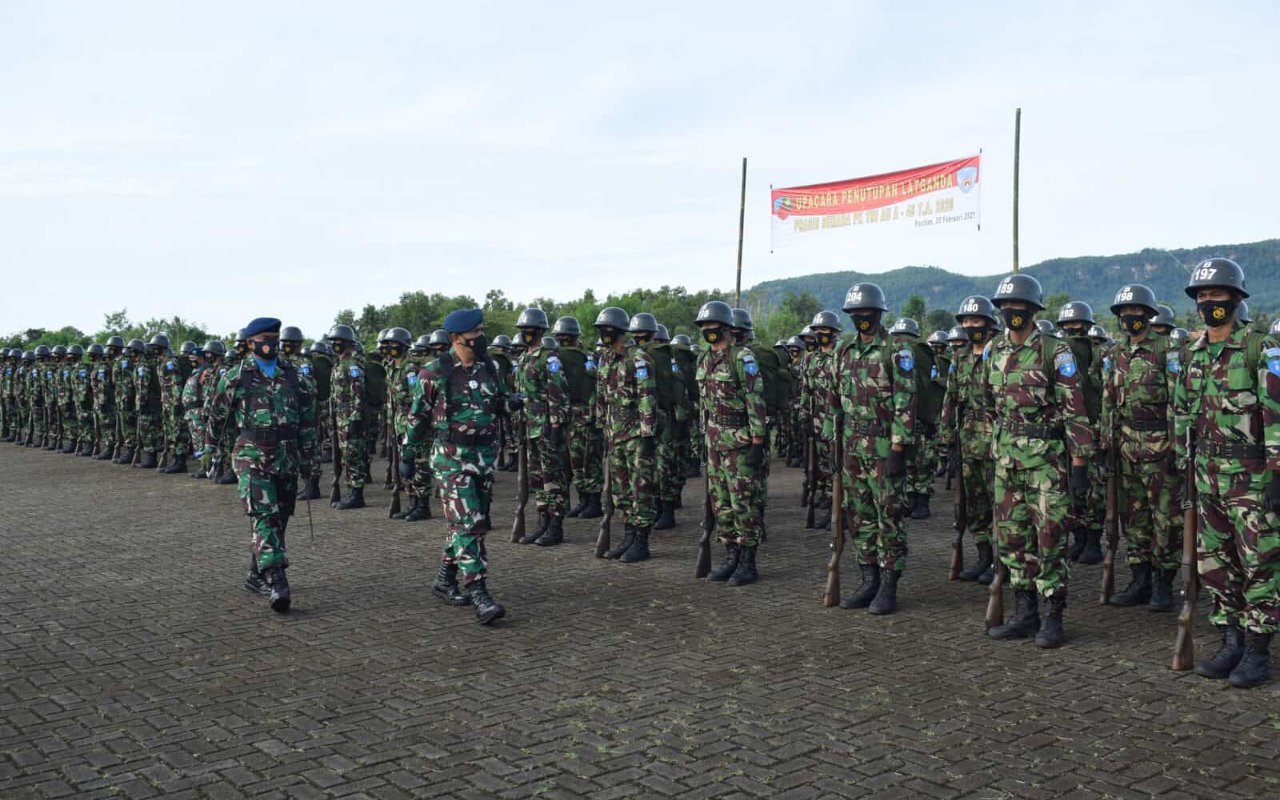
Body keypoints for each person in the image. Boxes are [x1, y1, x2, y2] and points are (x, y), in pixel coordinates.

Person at [1174, 258, 1279, 688]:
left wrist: (1277, 471)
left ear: (1236, 299)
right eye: (1201, 297)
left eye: (1216, 296)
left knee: (1259, 563)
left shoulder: (1261, 349)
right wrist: (1183, 466)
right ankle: (1230, 641)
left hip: (1251, 477)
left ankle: (1257, 651)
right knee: (1216, 565)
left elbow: (1276, 413)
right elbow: (1183, 414)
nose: (1208, 303)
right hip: (1206, 477)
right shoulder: (1190, 354)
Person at [983, 274, 1094, 648]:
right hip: (1007, 464)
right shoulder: (993, 350)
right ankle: (1025, 612)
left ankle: (1052, 616)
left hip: (1046, 464)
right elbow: (988, 405)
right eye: (1006, 306)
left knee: (1050, 539)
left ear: (1033, 310)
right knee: (1013, 540)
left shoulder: (1055, 352)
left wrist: (1080, 464)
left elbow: (1075, 410)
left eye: (1021, 307)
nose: (1013, 312)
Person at [404, 308, 511, 624]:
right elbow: (417, 417)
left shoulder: (487, 368)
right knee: (469, 524)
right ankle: (479, 592)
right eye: (475, 333)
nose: (480, 338)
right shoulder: (434, 373)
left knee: (468, 522)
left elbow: (498, 403)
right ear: (455, 338)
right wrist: (409, 457)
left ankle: (443, 579)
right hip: (452, 458)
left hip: (483, 458)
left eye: (481, 331)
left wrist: (511, 403)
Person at [206, 317, 318, 614]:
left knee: (279, 517)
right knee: (264, 514)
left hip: (287, 455)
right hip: (252, 454)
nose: (271, 344)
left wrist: (310, 460)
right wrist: (210, 449)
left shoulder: (296, 376)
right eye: (264, 338)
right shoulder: (235, 377)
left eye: (274, 338)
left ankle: (256, 572)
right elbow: (217, 415)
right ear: (250, 343)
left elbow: (308, 421)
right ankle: (277, 579)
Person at [831, 284, 917, 614]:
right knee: (860, 516)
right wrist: (832, 429)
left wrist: (898, 447)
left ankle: (889, 585)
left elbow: (905, 400)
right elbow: (835, 396)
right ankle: (868, 579)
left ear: (879, 314)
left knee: (889, 517)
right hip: (853, 445)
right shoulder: (844, 349)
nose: (861, 319)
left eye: (866, 314)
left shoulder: (897, 350)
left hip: (884, 445)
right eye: (855, 315)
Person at [1101, 284, 1182, 610]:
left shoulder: (1168, 351)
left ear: (1148, 315)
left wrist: (1178, 446)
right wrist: (1106, 441)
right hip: (1126, 448)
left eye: (1135, 312)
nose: (1129, 317)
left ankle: (1164, 583)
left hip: (1161, 447)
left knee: (1166, 519)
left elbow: (1180, 401)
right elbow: (1108, 401)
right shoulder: (1114, 354)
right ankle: (1140, 579)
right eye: (1124, 312)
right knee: (1133, 518)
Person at [695, 301, 768, 585]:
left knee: (743, 502)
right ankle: (731, 556)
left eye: (713, 327)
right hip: (714, 440)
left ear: (726, 328)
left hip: (740, 439)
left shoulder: (742, 357)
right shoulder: (703, 359)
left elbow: (755, 399)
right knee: (720, 503)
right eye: (704, 328)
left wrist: (758, 441)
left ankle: (748, 562)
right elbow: (704, 404)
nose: (708, 332)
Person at [940, 297, 999, 583]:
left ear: (988, 322)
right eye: (965, 322)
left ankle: (1004, 563)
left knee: (999, 502)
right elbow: (950, 399)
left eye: (976, 321)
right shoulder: (959, 357)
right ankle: (983, 557)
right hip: (968, 441)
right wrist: (948, 438)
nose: (970, 326)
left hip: (997, 443)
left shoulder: (1000, 352)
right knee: (975, 504)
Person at [593, 306, 659, 562]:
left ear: (620, 330)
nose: (603, 334)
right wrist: (601, 426)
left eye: (606, 329)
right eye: (601, 330)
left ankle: (641, 540)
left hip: (636, 435)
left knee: (640, 488)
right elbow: (601, 396)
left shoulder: (638, 358)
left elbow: (647, 396)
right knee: (621, 490)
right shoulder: (605, 359)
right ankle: (628, 535)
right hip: (615, 434)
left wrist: (648, 433)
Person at [512, 308, 570, 545]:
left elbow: (557, 393)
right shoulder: (524, 357)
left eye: (530, 330)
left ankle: (556, 525)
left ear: (540, 331)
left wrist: (557, 424)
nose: (526, 334)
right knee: (536, 478)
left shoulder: (550, 358)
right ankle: (542, 520)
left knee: (552, 476)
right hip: (529, 425)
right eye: (523, 331)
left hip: (546, 425)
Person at [554, 316, 604, 519]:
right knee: (575, 462)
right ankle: (584, 500)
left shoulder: (587, 358)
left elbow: (596, 387)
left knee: (588, 460)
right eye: (560, 337)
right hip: (571, 415)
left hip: (585, 416)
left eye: (565, 336)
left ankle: (594, 502)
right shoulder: (559, 357)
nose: (563, 339)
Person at [327, 324, 368, 509]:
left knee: (353, 456)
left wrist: (355, 418)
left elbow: (358, 393)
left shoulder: (352, 366)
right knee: (345, 456)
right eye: (333, 341)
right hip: (339, 418)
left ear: (348, 343)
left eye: (339, 341)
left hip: (350, 418)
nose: (335, 344)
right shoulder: (337, 364)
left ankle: (357, 494)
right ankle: (349, 490)